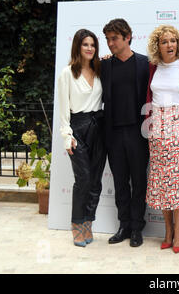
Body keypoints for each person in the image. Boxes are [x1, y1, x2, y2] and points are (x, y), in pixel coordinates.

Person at [144, 25, 179, 254]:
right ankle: (166, 231)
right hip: (156, 125)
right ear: (158, 45)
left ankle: (178, 232)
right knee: (160, 181)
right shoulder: (152, 67)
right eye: (165, 41)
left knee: (178, 182)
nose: (170, 45)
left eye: (173, 40)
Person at [101, 19, 150, 247]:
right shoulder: (104, 66)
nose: (110, 44)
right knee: (120, 182)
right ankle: (124, 226)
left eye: (114, 39)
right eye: (108, 39)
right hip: (113, 132)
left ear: (128, 37)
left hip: (138, 133)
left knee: (139, 182)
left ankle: (138, 227)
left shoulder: (144, 64)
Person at [58, 29, 107, 247]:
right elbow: (62, 111)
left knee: (95, 181)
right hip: (78, 128)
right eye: (85, 44)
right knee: (83, 179)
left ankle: (88, 222)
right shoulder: (67, 73)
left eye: (93, 45)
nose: (89, 48)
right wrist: (67, 136)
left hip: (99, 127)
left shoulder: (100, 70)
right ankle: (76, 224)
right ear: (78, 47)